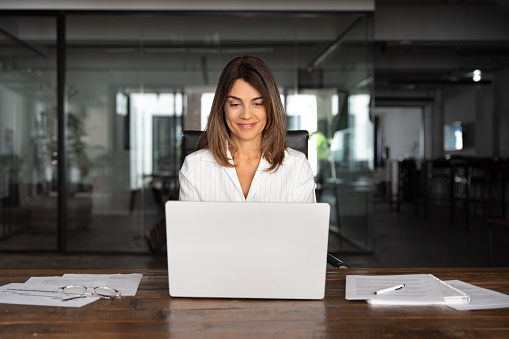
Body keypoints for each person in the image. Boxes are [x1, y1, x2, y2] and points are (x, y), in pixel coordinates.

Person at [179, 56, 315, 203]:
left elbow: (308, 226)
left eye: (257, 104)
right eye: (235, 104)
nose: (246, 115)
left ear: (271, 107)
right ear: (222, 108)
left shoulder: (297, 167)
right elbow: (187, 227)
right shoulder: (194, 167)